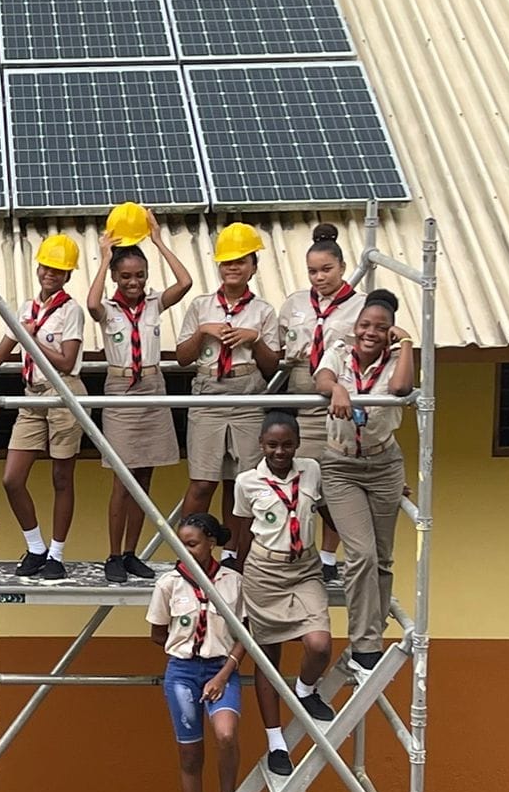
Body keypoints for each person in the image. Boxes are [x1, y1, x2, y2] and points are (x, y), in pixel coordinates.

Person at [86, 203, 194, 583]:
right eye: (126, 276)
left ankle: (132, 552)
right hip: (120, 388)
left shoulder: (153, 303)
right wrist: (103, 259)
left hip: (152, 386)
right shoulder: (111, 307)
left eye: (140, 276)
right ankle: (113, 554)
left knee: (144, 477)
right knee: (123, 478)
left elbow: (185, 283)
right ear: (117, 277)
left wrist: (158, 241)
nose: (134, 283)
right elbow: (92, 303)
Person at [0, 234, 85, 580]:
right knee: (12, 478)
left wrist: (31, 338)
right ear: (38, 267)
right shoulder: (26, 309)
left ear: (68, 275)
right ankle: (36, 547)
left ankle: (57, 554)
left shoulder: (71, 310)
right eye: (47, 266)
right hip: (32, 394)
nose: (51, 274)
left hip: (62, 392)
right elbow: (1, 353)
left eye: (59, 270)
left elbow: (67, 361)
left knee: (62, 477)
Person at [315, 289, 415, 669]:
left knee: (383, 559)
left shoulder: (395, 356)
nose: (371, 332)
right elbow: (321, 377)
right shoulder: (340, 349)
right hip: (342, 465)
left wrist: (405, 342)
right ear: (355, 326)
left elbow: (401, 389)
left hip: (384, 463)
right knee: (360, 554)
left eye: (381, 327)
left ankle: (374, 629)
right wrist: (339, 388)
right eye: (365, 325)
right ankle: (365, 644)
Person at [230, 411, 333, 778]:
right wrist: (237, 577)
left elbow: (328, 513)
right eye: (272, 445)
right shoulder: (246, 482)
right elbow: (242, 531)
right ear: (261, 444)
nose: (280, 451)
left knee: (319, 644)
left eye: (287, 444)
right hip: (263, 572)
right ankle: (276, 741)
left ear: (297, 443)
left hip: (304, 569)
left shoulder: (311, 470)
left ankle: (305, 691)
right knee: (267, 659)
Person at [146, 514, 248, 792]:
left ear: (210, 543)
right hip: (183, 671)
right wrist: (187, 649)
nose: (186, 551)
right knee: (190, 754)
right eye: (181, 544)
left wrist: (223, 673)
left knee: (226, 734)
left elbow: (244, 634)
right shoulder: (169, 583)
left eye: (193, 544)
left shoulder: (233, 582)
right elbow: (158, 633)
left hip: (223, 667)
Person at [176, 222, 280, 568]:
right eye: (226, 262)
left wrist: (254, 338)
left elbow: (271, 364)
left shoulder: (263, 311)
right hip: (208, 390)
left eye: (241, 261)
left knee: (243, 482)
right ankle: (188, 552)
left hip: (247, 389)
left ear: (253, 265)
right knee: (203, 481)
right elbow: (182, 357)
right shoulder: (201, 305)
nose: (233, 267)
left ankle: (236, 554)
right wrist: (204, 331)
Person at [278, 225, 363, 583]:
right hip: (300, 390)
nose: (319, 277)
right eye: (313, 271)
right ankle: (299, 549)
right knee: (304, 480)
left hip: (339, 396)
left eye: (326, 269)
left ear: (342, 266)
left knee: (335, 480)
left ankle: (328, 556)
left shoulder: (360, 306)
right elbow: (283, 348)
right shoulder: (296, 303)